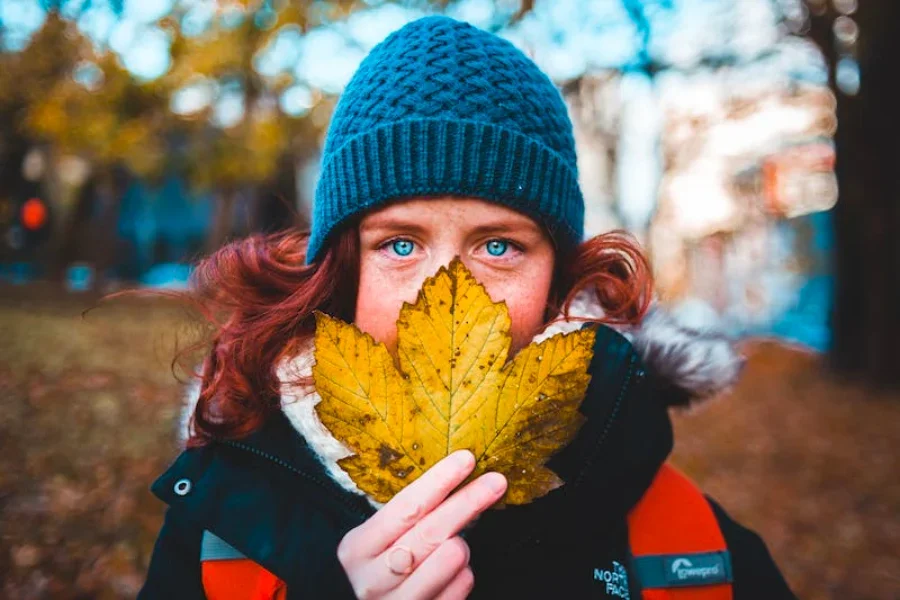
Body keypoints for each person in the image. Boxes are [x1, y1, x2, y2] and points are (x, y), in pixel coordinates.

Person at [138, 15, 796, 600]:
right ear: (343, 270)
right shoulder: (224, 530)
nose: (447, 293)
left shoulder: (691, 552)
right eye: (399, 243)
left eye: (500, 245)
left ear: (561, 278)